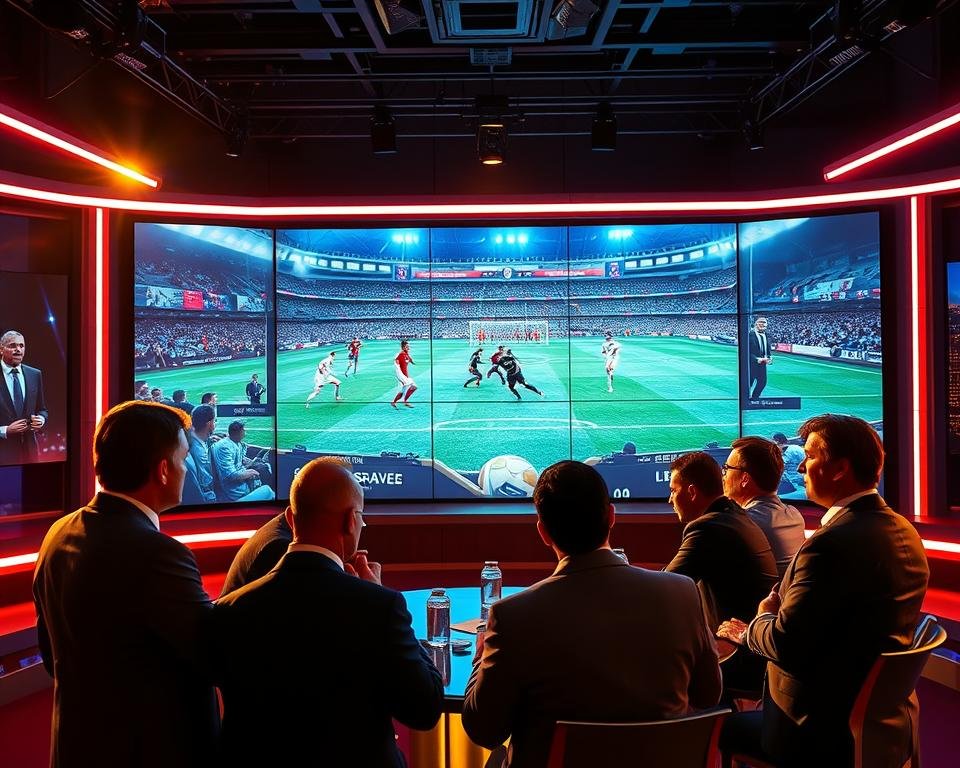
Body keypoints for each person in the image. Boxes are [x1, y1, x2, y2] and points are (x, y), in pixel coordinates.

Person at [462, 461, 721, 768]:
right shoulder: (682, 593)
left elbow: (484, 730)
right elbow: (708, 695)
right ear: (611, 516)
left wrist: (480, 660)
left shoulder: (512, 616)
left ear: (543, 532)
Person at [718, 415, 929, 767]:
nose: (800, 467)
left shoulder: (831, 545)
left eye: (810, 457)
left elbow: (785, 644)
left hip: (812, 730)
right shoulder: (903, 529)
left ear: (840, 469)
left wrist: (757, 623)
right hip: (882, 724)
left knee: (719, 723)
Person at [209, 458, 443, 767]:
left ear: (291, 519)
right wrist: (381, 594)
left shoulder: (227, 611)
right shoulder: (379, 608)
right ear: (350, 521)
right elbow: (425, 708)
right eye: (361, 518)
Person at [32, 401, 219, 767]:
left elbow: (52, 655)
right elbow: (215, 654)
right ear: (162, 470)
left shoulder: (58, 532)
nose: (186, 468)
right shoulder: (157, 553)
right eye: (183, 459)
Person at [665, 451, 778, 632]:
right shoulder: (733, 514)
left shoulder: (707, 528)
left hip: (737, 641)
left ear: (692, 492)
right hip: (755, 632)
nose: (670, 499)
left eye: (673, 491)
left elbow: (666, 586)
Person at [723, 436, 806, 579]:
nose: (723, 475)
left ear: (745, 479)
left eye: (727, 468)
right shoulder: (795, 515)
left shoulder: (739, 524)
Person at [0, 330, 48, 464]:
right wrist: (5, 430)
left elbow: (42, 409)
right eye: (13, 346)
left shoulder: (35, 374)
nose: (18, 349)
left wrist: (41, 419)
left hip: (30, 452)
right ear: (1, 349)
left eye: (21, 346)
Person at [211, 421, 275, 502]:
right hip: (235, 494)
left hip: (242, 485)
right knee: (268, 490)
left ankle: (260, 460)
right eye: (244, 430)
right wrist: (250, 473)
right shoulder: (224, 447)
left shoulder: (236, 443)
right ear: (239, 432)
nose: (245, 432)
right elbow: (230, 475)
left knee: (261, 468)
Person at [183, 404, 219, 503]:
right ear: (209, 424)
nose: (215, 424)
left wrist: (210, 439)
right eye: (215, 421)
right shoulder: (199, 453)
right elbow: (206, 486)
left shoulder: (190, 437)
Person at [747, 316, 772, 398]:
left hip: (762, 364)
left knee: (762, 382)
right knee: (748, 383)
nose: (762, 324)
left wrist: (769, 357)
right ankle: (745, 400)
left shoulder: (767, 335)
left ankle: (755, 399)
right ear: (755, 324)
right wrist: (756, 359)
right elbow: (746, 351)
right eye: (760, 322)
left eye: (764, 322)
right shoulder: (749, 335)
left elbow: (767, 349)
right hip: (750, 364)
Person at [390, 339, 417, 408]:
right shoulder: (401, 354)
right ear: (403, 347)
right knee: (412, 386)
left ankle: (394, 402)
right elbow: (396, 361)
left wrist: (413, 362)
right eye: (407, 347)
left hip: (406, 376)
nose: (409, 348)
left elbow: (410, 359)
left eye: (408, 346)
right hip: (402, 376)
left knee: (405, 389)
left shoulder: (406, 354)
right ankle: (405, 402)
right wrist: (397, 364)